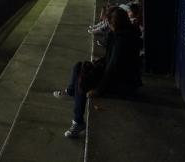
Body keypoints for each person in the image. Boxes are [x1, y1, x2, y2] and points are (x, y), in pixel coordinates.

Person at [54, 7, 142, 138]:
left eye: (109, 23)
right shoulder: (120, 33)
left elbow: (113, 68)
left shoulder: (122, 40)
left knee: (82, 81)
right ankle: (71, 91)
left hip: (122, 82)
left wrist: (98, 90)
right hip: (115, 74)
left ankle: (78, 121)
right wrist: (99, 62)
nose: (108, 26)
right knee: (79, 66)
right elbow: (110, 58)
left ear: (115, 24)